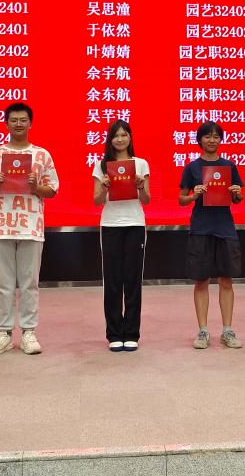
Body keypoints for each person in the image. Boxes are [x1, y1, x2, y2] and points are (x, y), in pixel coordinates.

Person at [0, 102, 59, 356]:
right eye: (14, 120)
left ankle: (28, 332)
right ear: (6, 123)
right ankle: (3, 333)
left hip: (31, 227)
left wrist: (35, 187)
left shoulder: (42, 155)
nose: (19, 124)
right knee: (3, 285)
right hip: (1, 226)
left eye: (23, 120)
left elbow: (52, 190)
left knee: (29, 284)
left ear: (30, 123)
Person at [179, 121, 245, 349]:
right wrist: (193, 195)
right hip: (201, 228)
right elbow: (181, 199)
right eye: (207, 136)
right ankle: (203, 331)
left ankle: (227, 330)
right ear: (200, 140)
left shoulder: (229, 166)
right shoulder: (192, 167)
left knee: (226, 280)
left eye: (216, 136)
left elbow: (238, 199)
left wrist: (237, 193)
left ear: (221, 140)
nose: (212, 140)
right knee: (202, 281)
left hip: (224, 228)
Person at [93, 120, 151, 352]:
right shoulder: (101, 165)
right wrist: (104, 187)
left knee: (133, 280)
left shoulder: (140, 164)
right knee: (113, 280)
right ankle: (114, 333)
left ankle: (132, 333)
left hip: (135, 224)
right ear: (110, 139)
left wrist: (140, 186)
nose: (120, 139)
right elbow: (97, 201)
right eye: (115, 135)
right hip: (110, 224)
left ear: (130, 138)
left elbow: (146, 199)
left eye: (124, 135)